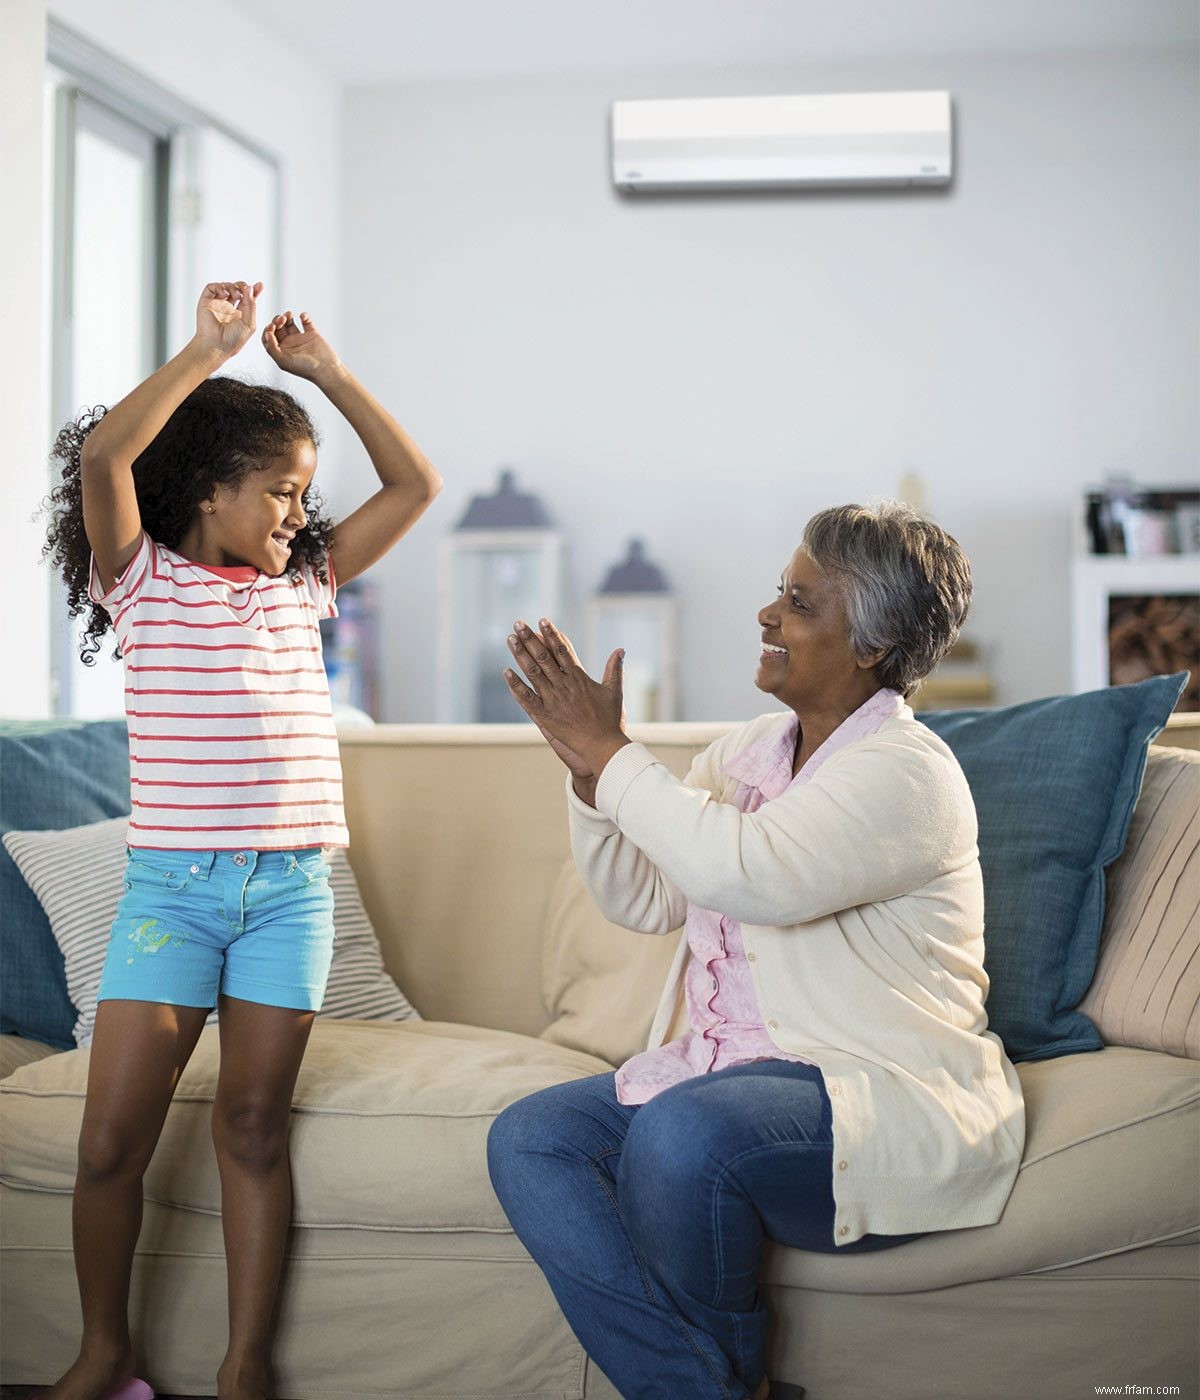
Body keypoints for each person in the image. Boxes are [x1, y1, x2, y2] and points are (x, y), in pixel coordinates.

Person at [487, 502, 1025, 1400]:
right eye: (781, 592)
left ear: (872, 647)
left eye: (802, 604)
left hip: (872, 1089)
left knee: (683, 1132)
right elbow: (647, 895)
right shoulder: (745, 753)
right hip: (724, 1073)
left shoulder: (907, 773)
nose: (769, 615)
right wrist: (588, 773)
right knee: (533, 1138)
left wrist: (615, 754)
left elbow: (748, 875)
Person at [40, 281, 442, 1400]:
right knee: (110, 1140)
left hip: (292, 893)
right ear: (211, 490)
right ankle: (105, 1352)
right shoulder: (145, 585)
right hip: (172, 892)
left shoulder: (303, 585)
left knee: (254, 1125)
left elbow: (417, 483)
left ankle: (243, 1364)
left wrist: (330, 375)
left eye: (304, 497)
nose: (295, 517)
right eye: (279, 491)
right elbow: (106, 464)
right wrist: (206, 348)